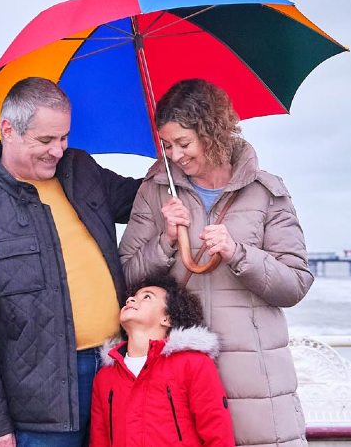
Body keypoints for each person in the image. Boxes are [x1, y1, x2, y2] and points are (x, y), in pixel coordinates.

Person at [0, 76, 141, 447]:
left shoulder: (81, 169)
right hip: (40, 403)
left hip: (117, 372)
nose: (58, 150)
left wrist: (178, 163)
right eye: (45, 140)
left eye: (64, 137)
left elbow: (141, 200)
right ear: (8, 130)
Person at [119, 78, 313, 447]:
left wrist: (238, 253)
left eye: (183, 143)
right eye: (167, 144)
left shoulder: (266, 192)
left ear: (211, 131)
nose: (174, 155)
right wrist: (165, 240)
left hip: (259, 390)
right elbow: (126, 277)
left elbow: (295, 284)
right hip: (178, 391)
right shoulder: (155, 192)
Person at [89, 277, 234, 447]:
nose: (130, 300)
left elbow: (218, 435)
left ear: (167, 318)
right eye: (131, 297)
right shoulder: (105, 378)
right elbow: (100, 441)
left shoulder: (193, 364)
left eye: (147, 297)